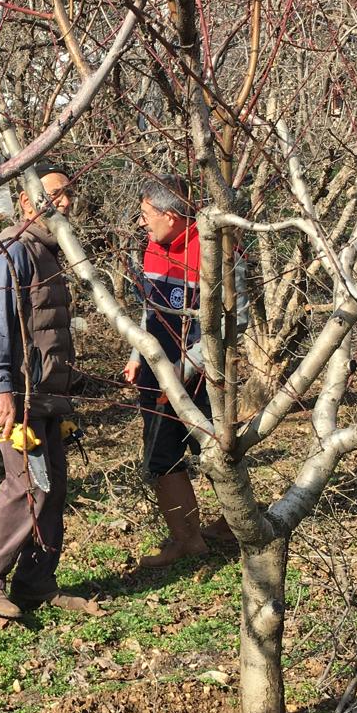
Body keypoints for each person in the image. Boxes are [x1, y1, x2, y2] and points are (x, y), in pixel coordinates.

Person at [0, 164, 100, 619]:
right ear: (25, 201)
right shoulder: (11, 252)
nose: (66, 202)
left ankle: (36, 582)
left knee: (53, 488)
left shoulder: (52, 252)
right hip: (16, 398)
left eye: (69, 193)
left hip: (48, 396)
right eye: (55, 194)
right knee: (28, 487)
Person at [120, 178, 232, 567]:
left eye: (147, 215)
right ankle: (187, 540)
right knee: (161, 456)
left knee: (218, 452)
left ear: (171, 215)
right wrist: (138, 354)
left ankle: (238, 525)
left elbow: (237, 321)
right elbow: (150, 311)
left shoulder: (216, 251)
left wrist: (184, 369)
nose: (140, 222)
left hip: (203, 378)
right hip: (157, 374)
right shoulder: (153, 244)